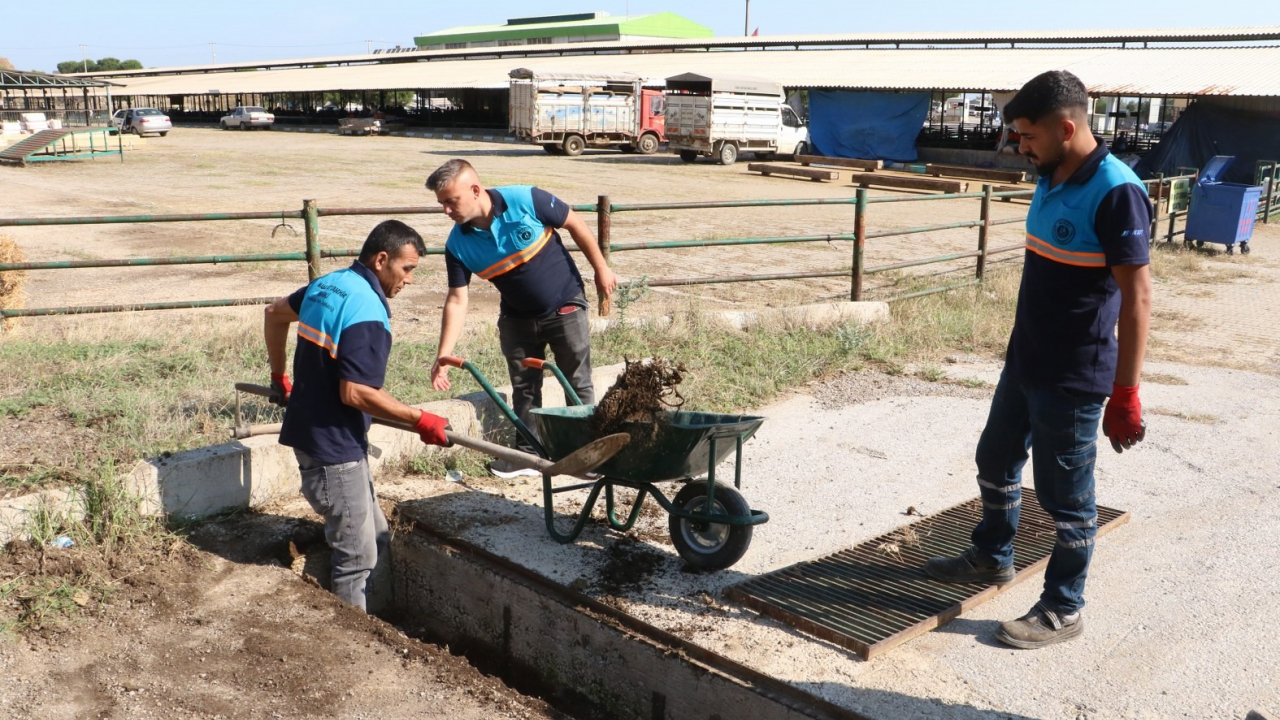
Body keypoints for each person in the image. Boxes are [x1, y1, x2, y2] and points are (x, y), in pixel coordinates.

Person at [923, 70, 1152, 649]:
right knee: (995, 459)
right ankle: (992, 555)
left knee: (1066, 499)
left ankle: (1063, 607)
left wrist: (1125, 393)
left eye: (1026, 135)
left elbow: (1139, 297)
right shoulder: (1052, 175)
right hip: (1025, 360)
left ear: (1066, 128)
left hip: (1073, 376)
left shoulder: (1116, 190)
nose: (1018, 146)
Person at [263, 219, 451, 612]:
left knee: (378, 536)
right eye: (408, 268)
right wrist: (420, 419)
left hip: (315, 434)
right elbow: (356, 392)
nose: (410, 279)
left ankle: (381, 621)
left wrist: (279, 375)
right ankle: (358, 646)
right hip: (335, 452)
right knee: (356, 559)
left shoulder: (330, 284)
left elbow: (275, 314)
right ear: (382, 259)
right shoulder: (368, 312)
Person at [424, 159, 617, 478]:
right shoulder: (457, 244)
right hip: (516, 319)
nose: (446, 210)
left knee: (576, 381)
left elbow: (575, 223)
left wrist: (602, 269)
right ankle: (527, 456)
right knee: (524, 387)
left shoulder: (526, 200)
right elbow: (457, 299)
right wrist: (443, 355)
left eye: (450, 201)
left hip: (565, 304)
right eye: (441, 203)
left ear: (475, 190)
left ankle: (585, 455)